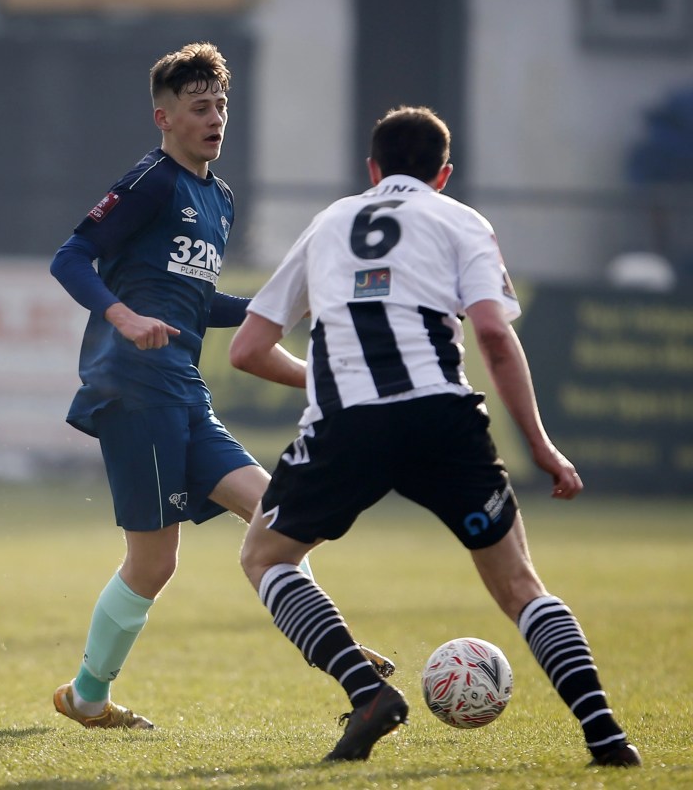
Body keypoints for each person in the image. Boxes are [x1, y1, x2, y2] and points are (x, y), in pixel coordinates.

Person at [230, 106, 641, 767]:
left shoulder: (330, 222)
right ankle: (606, 735)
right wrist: (540, 444)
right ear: (443, 174)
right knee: (520, 588)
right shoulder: (461, 220)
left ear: (372, 170)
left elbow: (248, 350)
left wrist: (337, 384)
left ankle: (366, 692)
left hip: (349, 423)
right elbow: (494, 336)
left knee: (266, 558)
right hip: (442, 417)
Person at [49, 42, 393, 730]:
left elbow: (197, 301)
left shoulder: (220, 199)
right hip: (133, 389)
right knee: (154, 564)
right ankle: (87, 696)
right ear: (164, 118)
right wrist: (121, 314)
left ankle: (343, 654)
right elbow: (70, 257)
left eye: (222, 105)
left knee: (280, 513)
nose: (215, 118)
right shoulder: (150, 181)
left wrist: (289, 308)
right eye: (200, 107)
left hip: (181, 392)